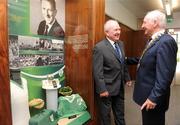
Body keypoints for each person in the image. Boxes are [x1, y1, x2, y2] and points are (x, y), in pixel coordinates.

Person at [133, 10, 177, 125]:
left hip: (153, 99)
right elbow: (147, 60)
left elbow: (165, 76)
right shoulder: (154, 40)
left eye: (144, 22)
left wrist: (153, 98)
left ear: (155, 23)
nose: (142, 26)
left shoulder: (166, 41)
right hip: (148, 96)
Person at [93, 20, 132, 125]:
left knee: (120, 114)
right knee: (106, 117)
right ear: (107, 32)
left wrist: (127, 78)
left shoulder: (121, 44)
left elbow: (122, 62)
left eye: (119, 29)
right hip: (107, 89)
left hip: (120, 87)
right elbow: (97, 71)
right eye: (116, 29)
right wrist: (102, 89)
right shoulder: (99, 48)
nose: (119, 32)